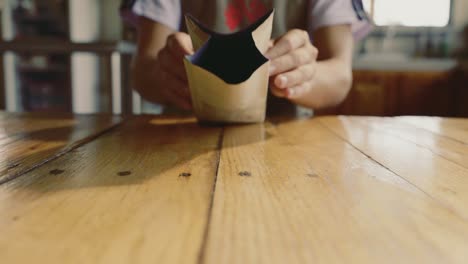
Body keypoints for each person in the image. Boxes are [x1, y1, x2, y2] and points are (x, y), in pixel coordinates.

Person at [123, 0, 371, 114]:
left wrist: (304, 74)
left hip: (287, 140)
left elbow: (339, 75)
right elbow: (143, 69)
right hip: (182, 134)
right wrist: (168, 72)